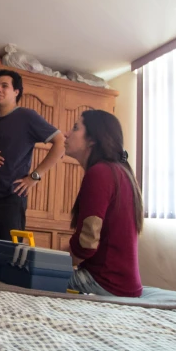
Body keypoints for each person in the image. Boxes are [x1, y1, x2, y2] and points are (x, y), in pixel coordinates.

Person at [0, 69, 66, 266]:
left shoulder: (27, 117)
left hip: (9, 198)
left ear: (16, 92)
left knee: (6, 261)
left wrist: (34, 177)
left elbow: (60, 142)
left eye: (5, 86)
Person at [64, 109, 143, 297]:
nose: (66, 133)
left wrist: (45, 261)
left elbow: (86, 244)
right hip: (124, 284)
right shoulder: (120, 172)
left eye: (75, 128)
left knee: (26, 275)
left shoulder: (100, 173)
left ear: (92, 139)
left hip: (104, 283)